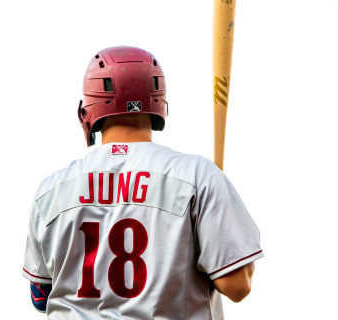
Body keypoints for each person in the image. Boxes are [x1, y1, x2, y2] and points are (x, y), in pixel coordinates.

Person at [22, 46, 263, 320]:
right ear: (159, 103)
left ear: (86, 110)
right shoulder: (198, 175)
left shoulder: (50, 190)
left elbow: (41, 298)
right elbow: (237, 286)